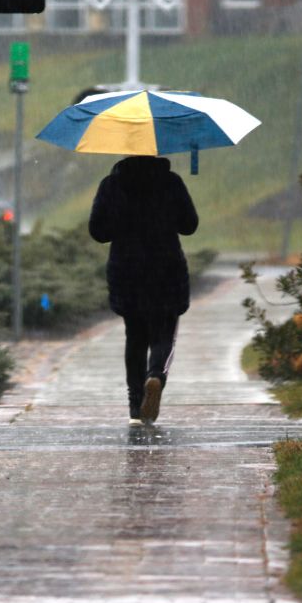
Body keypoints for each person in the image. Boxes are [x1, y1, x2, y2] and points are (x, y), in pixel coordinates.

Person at [88, 155, 199, 425]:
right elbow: (189, 225)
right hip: (166, 270)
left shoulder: (111, 185)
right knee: (164, 333)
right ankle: (156, 376)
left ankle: (135, 408)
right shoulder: (171, 182)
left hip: (127, 271)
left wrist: (123, 220)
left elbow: (98, 231)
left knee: (135, 337)